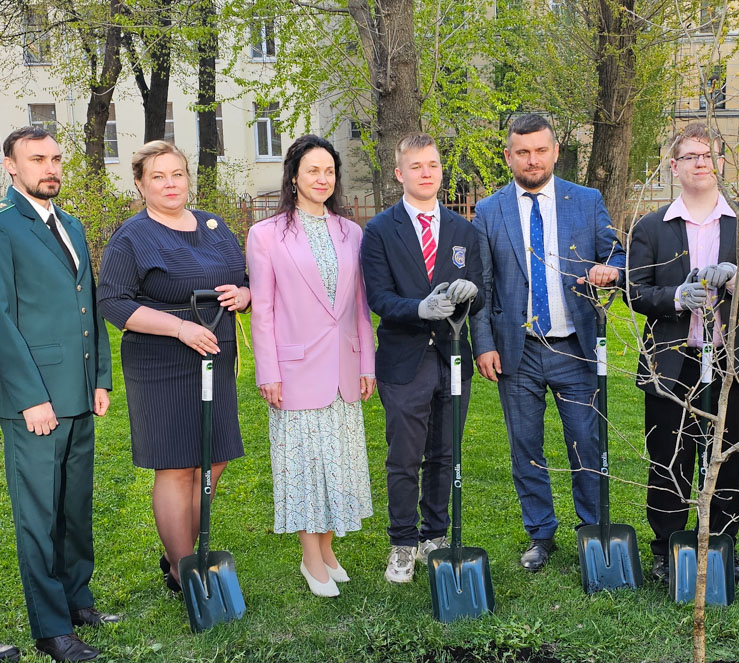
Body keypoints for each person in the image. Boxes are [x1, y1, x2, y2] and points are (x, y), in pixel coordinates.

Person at [627, 123, 739, 585]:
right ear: (674, 166)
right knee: (669, 455)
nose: (701, 162)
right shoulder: (652, 227)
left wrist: (735, 279)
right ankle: (667, 544)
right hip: (673, 361)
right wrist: (676, 298)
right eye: (691, 155)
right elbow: (636, 292)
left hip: (732, 362)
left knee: (728, 455)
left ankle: (722, 545)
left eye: (709, 154)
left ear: (721, 164)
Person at [471, 114, 624, 572]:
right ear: (508, 157)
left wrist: (609, 269)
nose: (532, 160)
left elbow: (615, 251)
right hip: (517, 351)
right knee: (526, 447)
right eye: (523, 152)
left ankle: (592, 532)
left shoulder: (586, 201)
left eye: (540, 150)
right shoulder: (489, 210)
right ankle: (540, 534)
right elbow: (482, 285)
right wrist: (483, 344)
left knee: (585, 441)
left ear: (556, 151)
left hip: (574, 347)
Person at [98, 140, 250, 595]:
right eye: (158, 177)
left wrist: (245, 296)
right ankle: (185, 570)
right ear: (141, 185)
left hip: (215, 353)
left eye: (177, 174)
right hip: (163, 360)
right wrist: (178, 329)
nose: (170, 184)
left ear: (188, 177)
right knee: (177, 465)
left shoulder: (215, 226)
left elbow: (244, 279)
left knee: (214, 457)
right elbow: (112, 301)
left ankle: (175, 552)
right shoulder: (133, 236)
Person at [0, 126, 118, 663]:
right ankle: (51, 628)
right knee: (39, 514)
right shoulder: (4, 228)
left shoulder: (69, 223)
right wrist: (29, 396)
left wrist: (100, 378)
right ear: (10, 167)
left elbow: (88, 307)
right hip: (36, 401)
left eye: (55, 158)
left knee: (74, 506)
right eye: (36, 159)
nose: (50, 167)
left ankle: (77, 600)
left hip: (78, 390)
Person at [247, 135, 376, 598]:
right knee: (304, 465)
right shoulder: (266, 235)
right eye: (312, 170)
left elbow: (359, 307)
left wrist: (367, 362)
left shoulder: (351, 232)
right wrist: (269, 372)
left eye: (329, 171)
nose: (322, 179)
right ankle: (309, 559)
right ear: (294, 176)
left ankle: (327, 549)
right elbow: (262, 310)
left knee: (337, 465)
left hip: (344, 369)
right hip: (293, 370)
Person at [361, 132, 483, 584]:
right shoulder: (379, 231)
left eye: (432, 165)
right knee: (405, 456)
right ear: (400, 174)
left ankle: (435, 534)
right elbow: (378, 297)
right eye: (416, 167)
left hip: (452, 357)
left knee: (445, 453)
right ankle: (403, 543)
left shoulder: (463, 230)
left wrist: (471, 296)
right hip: (403, 361)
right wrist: (418, 308)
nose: (426, 173)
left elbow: (480, 292)